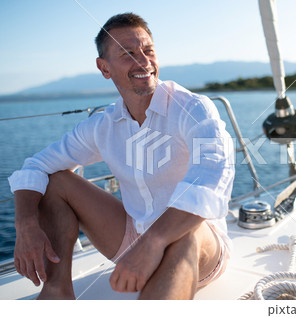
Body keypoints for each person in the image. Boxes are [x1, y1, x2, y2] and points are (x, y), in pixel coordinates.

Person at [8, 12, 234, 300]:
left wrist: (154, 240)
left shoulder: (192, 108)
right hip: (131, 238)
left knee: (188, 231)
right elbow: (35, 166)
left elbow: (212, 175)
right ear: (104, 68)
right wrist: (25, 224)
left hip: (199, 247)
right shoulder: (104, 125)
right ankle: (57, 291)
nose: (143, 61)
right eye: (127, 53)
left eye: (148, 50)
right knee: (56, 181)